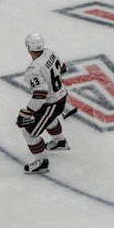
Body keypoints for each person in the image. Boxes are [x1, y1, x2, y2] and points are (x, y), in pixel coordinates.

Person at [17, 35, 76, 173]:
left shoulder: (33, 70)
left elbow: (40, 95)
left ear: (28, 48)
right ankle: (59, 142)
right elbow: (62, 68)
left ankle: (41, 162)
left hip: (51, 103)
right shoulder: (50, 52)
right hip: (61, 96)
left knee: (29, 133)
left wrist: (28, 112)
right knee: (49, 119)